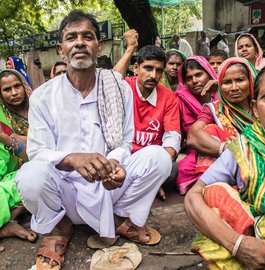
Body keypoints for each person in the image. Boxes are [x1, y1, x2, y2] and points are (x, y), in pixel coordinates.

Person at [15, 10, 172, 269]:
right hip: (62, 191)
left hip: (109, 187)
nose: (79, 43)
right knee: (30, 175)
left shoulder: (118, 86)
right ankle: (59, 227)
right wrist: (72, 159)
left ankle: (121, 218)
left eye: (88, 37)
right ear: (60, 49)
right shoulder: (43, 96)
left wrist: (114, 167)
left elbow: (124, 142)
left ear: (98, 46)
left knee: (158, 158)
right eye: (71, 38)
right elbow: (37, 151)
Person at [184, 64, 265, 269]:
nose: (233, 87)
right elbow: (193, 197)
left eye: (239, 80)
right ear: (256, 109)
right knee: (214, 193)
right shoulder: (243, 146)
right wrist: (238, 244)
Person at [114, 35, 181, 200]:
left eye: (159, 70)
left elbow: (172, 138)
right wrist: (130, 48)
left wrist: (157, 170)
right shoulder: (125, 88)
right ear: (136, 68)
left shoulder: (169, 97)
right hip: (123, 157)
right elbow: (111, 81)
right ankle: (147, 188)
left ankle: (144, 185)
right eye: (148, 68)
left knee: (171, 170)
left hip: (151, 160)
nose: (153, 75)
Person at [187, 57, 257, 188]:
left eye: (240, 80)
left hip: (263, 162)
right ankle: (215, 187)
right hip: (232, 166)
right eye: (226, 82)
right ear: (219, 85)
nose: (234, 88)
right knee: (210, 131)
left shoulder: (262, 106)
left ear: (251, 80)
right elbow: (193, 136)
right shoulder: (214, 109)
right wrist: (231, 150)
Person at [0, 69, 37, 252]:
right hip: (7, 170)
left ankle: (7, 224)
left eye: (17, 86)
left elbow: (35, 152)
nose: (14, 93)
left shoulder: (38, 106)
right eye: (7, 89)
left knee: (29, 180)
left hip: (35, 164)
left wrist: (7, 137)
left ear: (24, 86)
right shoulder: (2, 116)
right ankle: (8, 224)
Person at [175, 56, 218, 195]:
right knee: (181, 171)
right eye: (189, 78)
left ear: (209, 73)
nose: (194, 81)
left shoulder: (223, 90)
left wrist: (220, 85)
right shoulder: (180, 99)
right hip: (198, 151)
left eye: (199, 74)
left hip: (229, 146)